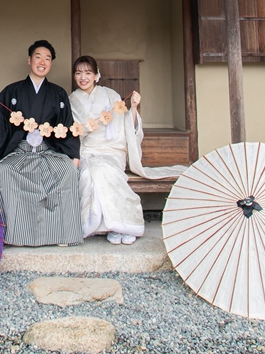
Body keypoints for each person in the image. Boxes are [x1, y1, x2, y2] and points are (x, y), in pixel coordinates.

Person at [69, 55, 187, 245]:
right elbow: (72, 134)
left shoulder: (111, 96)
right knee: (90, 174)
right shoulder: (71, 100)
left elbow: (125, 126)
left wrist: (133, 108)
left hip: (112, 151)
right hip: (87, 151)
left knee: (104, 170)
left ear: (96, 75)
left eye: (88, 73)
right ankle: (110, 226)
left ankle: (122, 225)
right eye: (78, 73)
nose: (83, 77)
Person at [0, 40, 82, 247]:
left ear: (51, 63)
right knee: (5, 170)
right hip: (20, 151)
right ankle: (16, 235)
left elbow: (67, 125)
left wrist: (74, 155)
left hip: (48, 151)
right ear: (29, 60)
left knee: (67, 170)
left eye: (47, 59)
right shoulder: (12, 91)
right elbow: (1, 124)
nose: (42, 62)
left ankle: (61, 234)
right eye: (38, 57)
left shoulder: (58, 94)